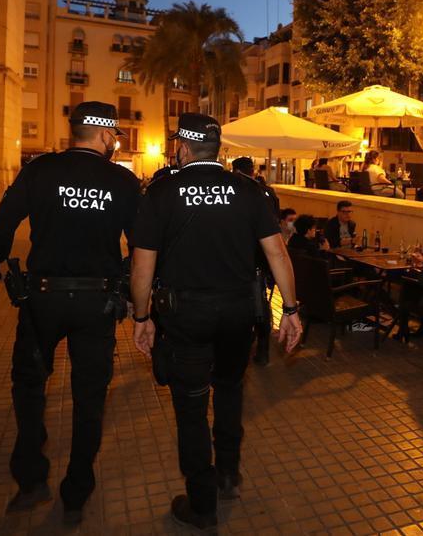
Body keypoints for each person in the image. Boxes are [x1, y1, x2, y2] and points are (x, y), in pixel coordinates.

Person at [129, 112, 302, 531]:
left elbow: (142, 266)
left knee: (190, 406)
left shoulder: (161, 192)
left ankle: (202, 503)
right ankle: (228, 473)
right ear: (217, 148)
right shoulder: (247, 191)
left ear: (183, 148)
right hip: (238, 314)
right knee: (229, 391)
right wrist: (292, 310)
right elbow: (278, 253)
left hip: (185, 315)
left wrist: (141, 316)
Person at [0, 101, 141, 525]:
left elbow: (1, 227)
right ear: (104, 135)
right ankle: (76, 491)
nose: (114, 142)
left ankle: (31, 480)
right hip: (96, 303)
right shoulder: (122, 181)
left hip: (42, 300)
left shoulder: (40, 171)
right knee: (90, 398)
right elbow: (143, 246)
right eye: (114, 136)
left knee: (29, 387)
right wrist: (130, 289)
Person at [232, 156, 279, 366]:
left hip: (243, 259)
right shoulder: (268, 192)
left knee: (248, 306)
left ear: (236, 170)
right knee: (261, 304)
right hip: (263, 258)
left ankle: (249, 344)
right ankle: (263, 348)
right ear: (252, 170)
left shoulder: (240, 191)